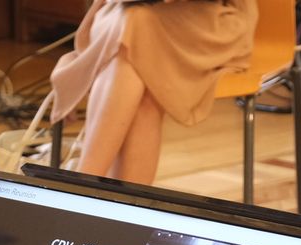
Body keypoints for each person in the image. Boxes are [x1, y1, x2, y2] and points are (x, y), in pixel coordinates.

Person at [48, 0, 257, 184]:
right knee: (135, 29)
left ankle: (84, 184)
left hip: (211, 17)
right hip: (122, 14)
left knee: (136, 31)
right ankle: (120, 208)